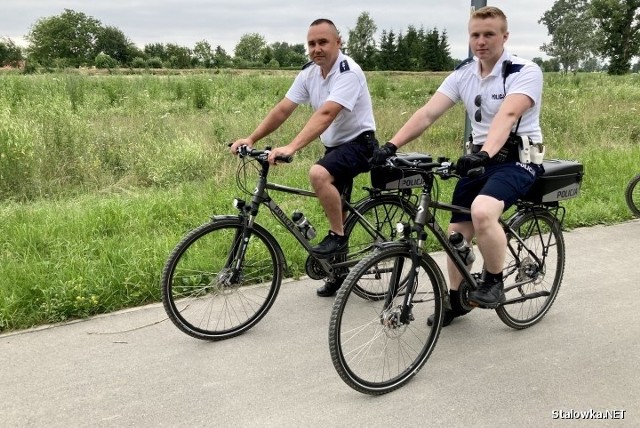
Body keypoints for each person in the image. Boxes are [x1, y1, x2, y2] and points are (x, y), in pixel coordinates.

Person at [372, 6, 544, 325]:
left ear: (504, 37)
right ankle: (456, 300)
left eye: (489, 34)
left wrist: (486, 152)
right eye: (475, 35)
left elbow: (507, 116)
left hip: (517, 161)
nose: (481, 41)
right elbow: (427, 114)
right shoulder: (463, 73)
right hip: (478, 161)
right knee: (455, 235)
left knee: (481, 212)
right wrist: (391, 145)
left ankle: (493, 280)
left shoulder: (524, 72)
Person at [229, 18, 378, 297]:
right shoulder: (310, 73)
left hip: (360, 144)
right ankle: (339, 271)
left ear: (338, 42)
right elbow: (283, 109)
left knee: (318, 174)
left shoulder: (349, 72)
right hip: (335, 148)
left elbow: (326, 114)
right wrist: (251, 139)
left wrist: (292, 147)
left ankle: (337, 237)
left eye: (323, 42)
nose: (316, 48)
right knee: (338, 205)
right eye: (311, 43)